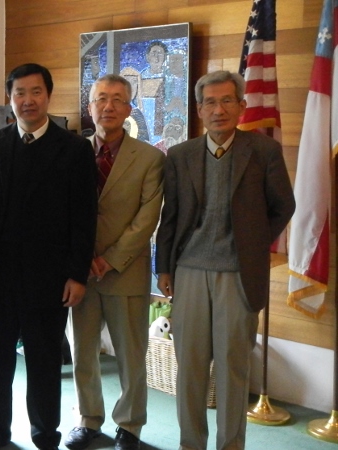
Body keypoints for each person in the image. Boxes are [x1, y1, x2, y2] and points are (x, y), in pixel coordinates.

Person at [155, 70, 295, 450]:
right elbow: (170, 216)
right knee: (190, 368)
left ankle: (230, 445)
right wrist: (163, 267)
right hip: (189, 271)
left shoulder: (263, 151)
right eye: (210, 103)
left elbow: (284, 205)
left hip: (238, 274)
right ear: (199, 109)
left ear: (241, 105)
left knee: (234, 368)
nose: (219, 110)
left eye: (227, 101)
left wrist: (252, 243)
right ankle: (191, 444)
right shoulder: (181, 155)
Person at [0, 63, 98, 450]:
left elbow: (84, 216)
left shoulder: (74, 148)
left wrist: (76, 274)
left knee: (44, 363)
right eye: (19, 93)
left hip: (50, 278)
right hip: (0, 276)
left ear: (48, 95)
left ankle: (45, 436)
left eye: (35, 92)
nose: (27, 100)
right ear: (9, 98)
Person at [64, 74, 164, 450]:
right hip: (80, 272)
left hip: (125, 270)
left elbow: (147, 218)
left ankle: (130, 425)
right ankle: (88, 419)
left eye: (117, 99)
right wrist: (81, 258)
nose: (108, 106)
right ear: (89, 107)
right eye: (101, 98)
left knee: (131, 356)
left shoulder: (150, 158)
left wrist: (109, 259)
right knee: (83, 352)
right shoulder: (72, 152)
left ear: (129, 108)